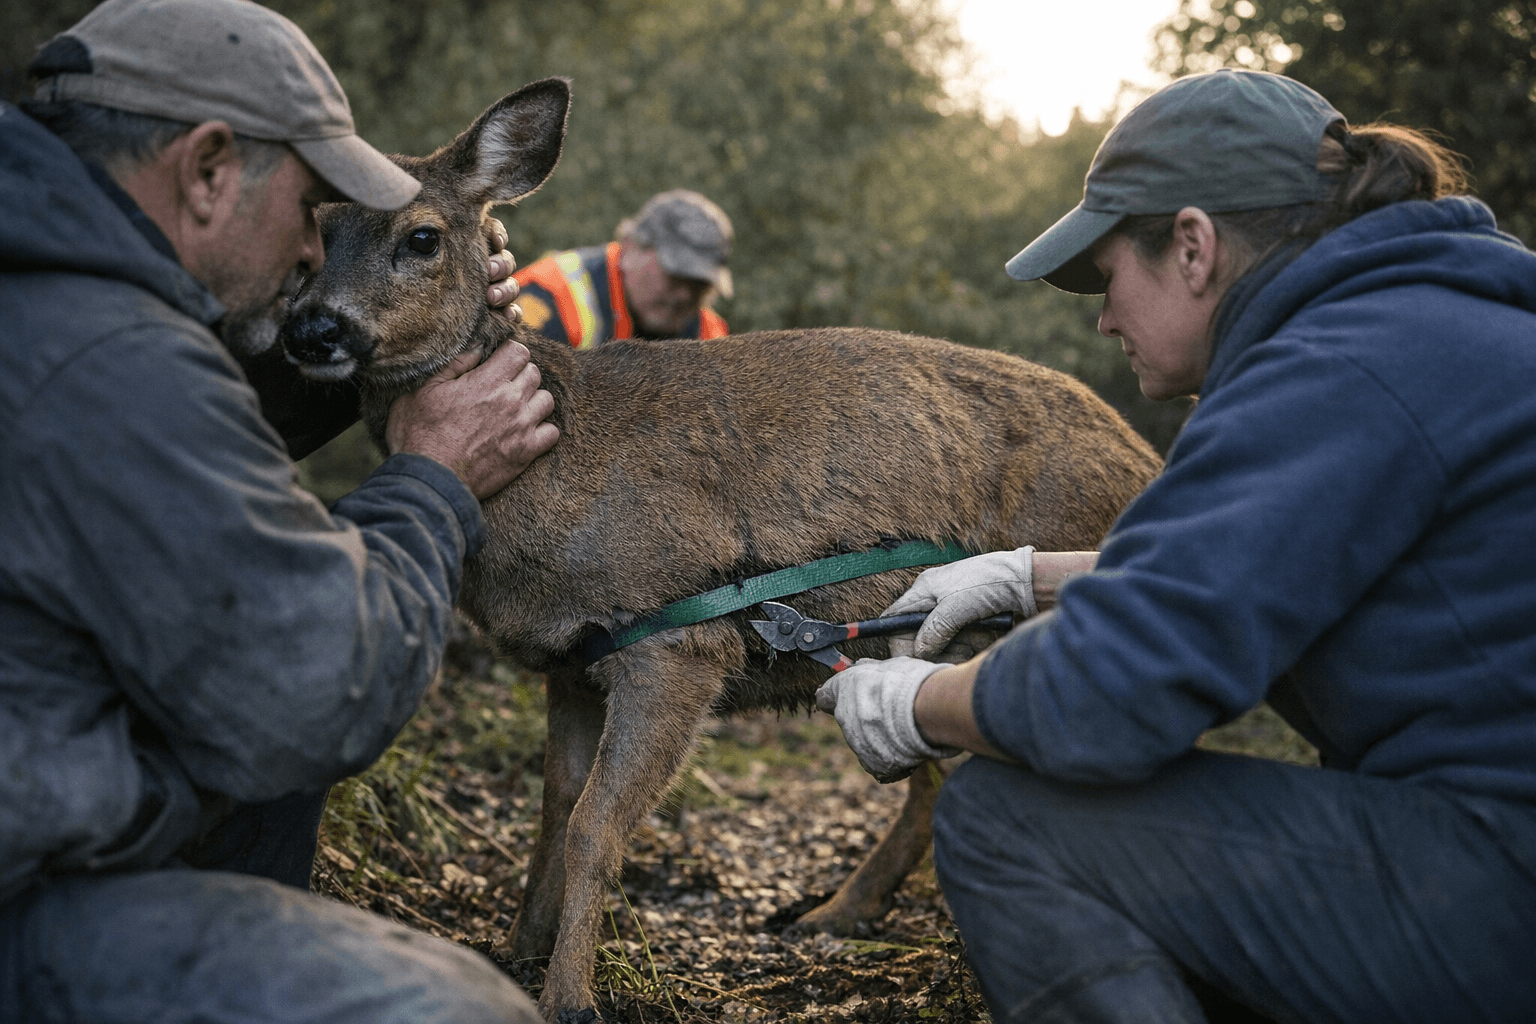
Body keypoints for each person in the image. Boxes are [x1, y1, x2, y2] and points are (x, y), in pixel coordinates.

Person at [815, 69, 1536, 1023]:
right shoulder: (1428, 323)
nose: (1105, 317)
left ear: (1193, 246)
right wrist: (1027, 578)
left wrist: (920, 701)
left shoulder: (1331, 368)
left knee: (1009, 821)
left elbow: (1108, 699)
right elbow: (1282, 567)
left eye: (1110, 277)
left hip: (1501, 884)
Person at [0, 1, 558, 1021]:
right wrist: (431, 478)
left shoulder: (51, 291)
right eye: (311, 211)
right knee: (454, 1008)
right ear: (210, 168)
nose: (316, 255)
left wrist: (384, 341)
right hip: (29, 891)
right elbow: (315, 693)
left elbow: (172, 446)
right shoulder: (109, 359)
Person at [514, 187, 733, 347]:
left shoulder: (709, 336)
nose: (685, 295)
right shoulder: (553, 299)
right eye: (675, 276)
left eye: (700, 284)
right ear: (630, 247)